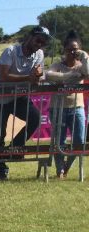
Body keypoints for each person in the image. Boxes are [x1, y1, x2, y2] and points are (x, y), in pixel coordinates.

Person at [0, 25, 50, 180]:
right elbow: (2, 76)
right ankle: (1, 169)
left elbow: (37, 77)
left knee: (35, 118)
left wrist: (38, 76)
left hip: (19, 96)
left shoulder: (39, 54)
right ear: (30, 37)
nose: (39, 44)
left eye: (43, 42)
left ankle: (15, 148)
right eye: (38, 40)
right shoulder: (10, 51)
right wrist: (27, 78)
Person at [45, 31, 89, 178]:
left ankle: (67, 164)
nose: (72, 52)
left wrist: (85, 57)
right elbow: (49, 75)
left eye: (75, 49)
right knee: (59, 140)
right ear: (64, 50)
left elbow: (87, 72)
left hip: (77, 108)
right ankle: (60, 169)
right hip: (58, 108)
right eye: (69, 49)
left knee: (80, 140)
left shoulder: (82, 66)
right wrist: (67, 76)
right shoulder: (58, 65)